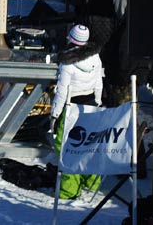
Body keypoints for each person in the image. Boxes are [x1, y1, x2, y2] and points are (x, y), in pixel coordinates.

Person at [49, 24, 103, 199]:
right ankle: (91, 181)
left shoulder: (67, 62)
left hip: (72, 107)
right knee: (88, 144)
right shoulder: (95, 56)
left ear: (70, 39)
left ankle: (69, 189)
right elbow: (99, 82)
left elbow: (62, 91)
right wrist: (98, 101)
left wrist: (55, 114)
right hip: (90, 105)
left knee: (65, 147)